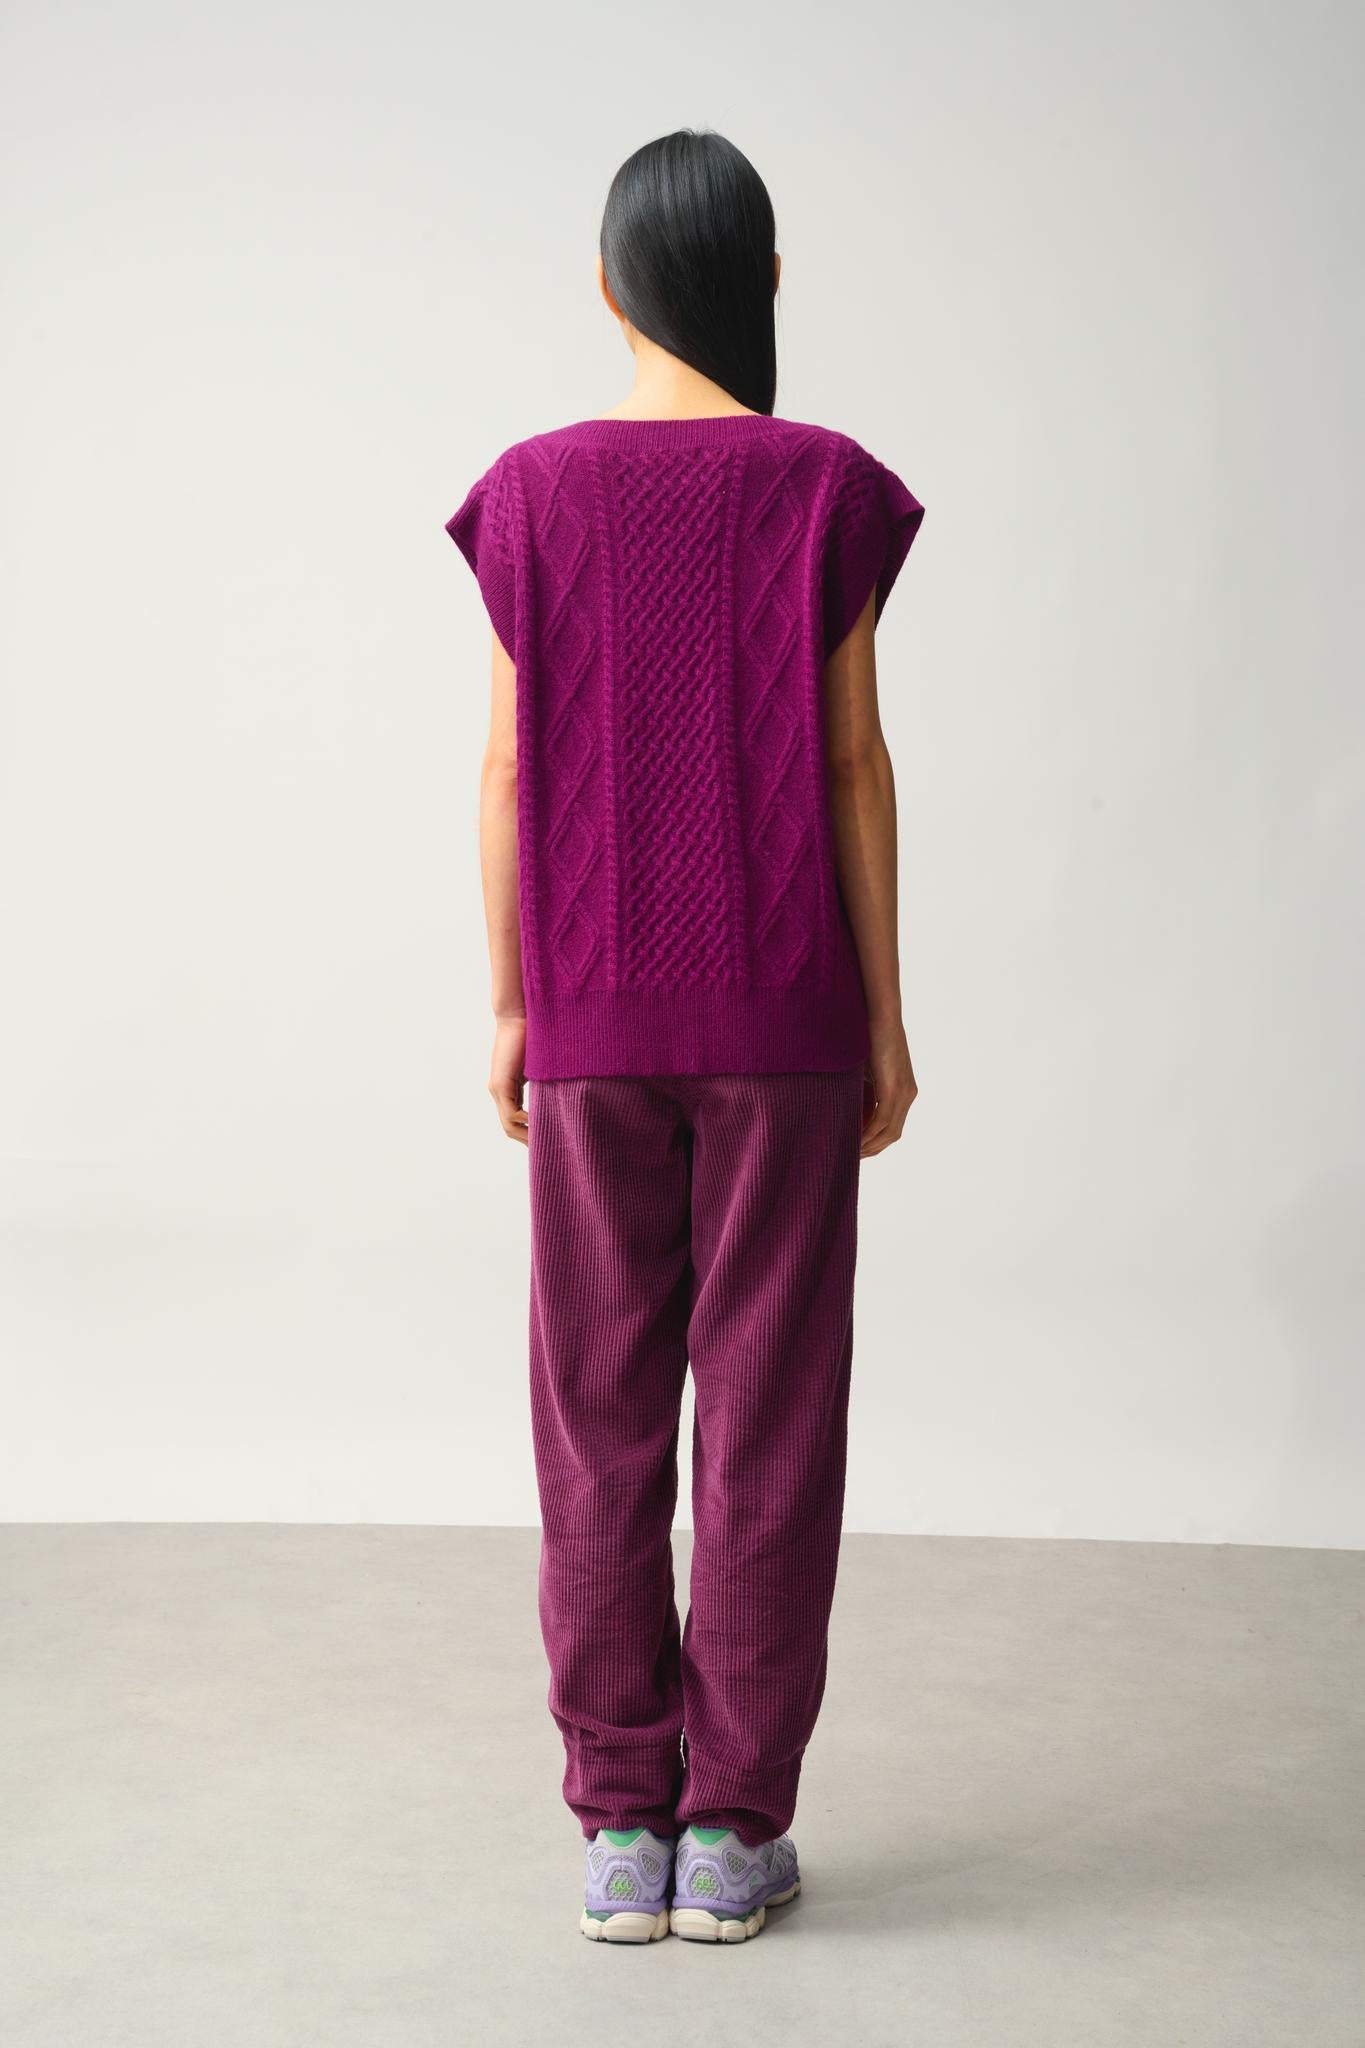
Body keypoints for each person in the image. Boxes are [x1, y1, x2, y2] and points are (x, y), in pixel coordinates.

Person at [443, 127, 924, 1945]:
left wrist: (512, 1002)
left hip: (590, 1013)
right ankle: (729, 1832)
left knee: (597, 1416)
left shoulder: (529, 492)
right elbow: (853, 765)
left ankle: (618, 1833)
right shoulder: (824, 487)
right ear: (763, 282)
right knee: (769, 1421)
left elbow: (507, 767)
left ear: (605, 286)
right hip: (786, 1014)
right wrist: (884, 1018)